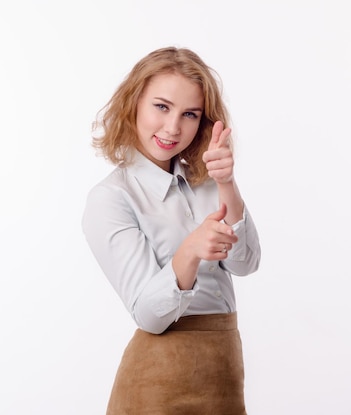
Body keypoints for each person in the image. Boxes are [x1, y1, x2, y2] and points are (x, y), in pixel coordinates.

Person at [82, 46, 261, 414]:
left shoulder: (206, 182)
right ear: (133, 102)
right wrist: (190, 252)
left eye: (190, 114)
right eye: (161, 107)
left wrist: (225, 183)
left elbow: (247, 263)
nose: (173, 128)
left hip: (222, 373)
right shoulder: (111, 198)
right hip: (155, 382)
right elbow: (149, 315)